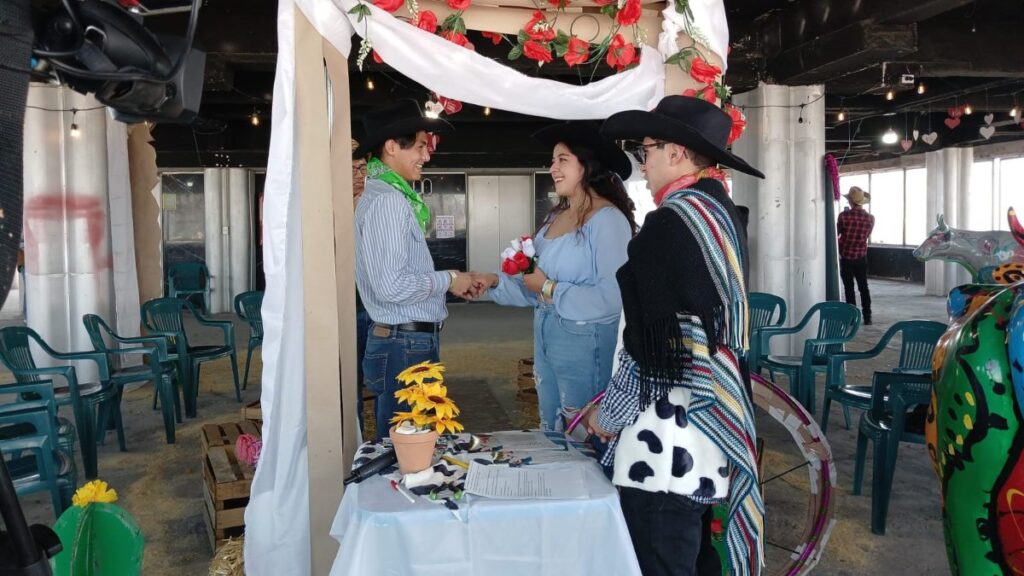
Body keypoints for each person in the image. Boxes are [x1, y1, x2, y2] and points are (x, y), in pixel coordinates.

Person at [584, 95, 765, 576]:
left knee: (660, 556)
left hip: (662, 447)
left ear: (677, 153)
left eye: (646, 152)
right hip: (707, 438)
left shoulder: (669, 225)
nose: (641, 166)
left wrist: (608, 415)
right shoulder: (721, 216)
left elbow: (652, 348)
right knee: (696, 555)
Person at [473, 121, 636, 431]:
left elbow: (611, 298)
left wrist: (549, 288)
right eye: (552, 160)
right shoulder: (553, 219)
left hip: (585, 343)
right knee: (552, 422)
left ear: (587, 166)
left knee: (582, 427)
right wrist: (493, 282)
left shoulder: (607, 221)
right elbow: (530, 284)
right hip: (546, 335)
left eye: (562, 160)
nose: (552, 168)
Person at [353, 100, 476, 439]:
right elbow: (390, 286)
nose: (426, 155)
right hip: (403, 342)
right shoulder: (389, 201)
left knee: (409, 442)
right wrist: (449, 279)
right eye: (421, 146)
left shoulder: (384, 194)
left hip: (402, 339)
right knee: (407, 448)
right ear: (392, 146)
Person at [352, 139, 370, 433]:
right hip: (348, 303)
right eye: (352, 168)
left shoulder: (375, 202)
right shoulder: (331, 204)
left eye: (363, 168)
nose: (358, 174)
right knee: (350, 378)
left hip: (376, 303)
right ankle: (353, 433)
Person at [837, 186, 874, 325]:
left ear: (850, 202)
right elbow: (866, 235)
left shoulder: (843, 216)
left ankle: (852, 318)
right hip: (861, 257)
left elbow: (837, 233)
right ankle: (867, 316)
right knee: (864, 287)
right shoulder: (870, 218)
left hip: (846, 256)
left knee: (849, 288)